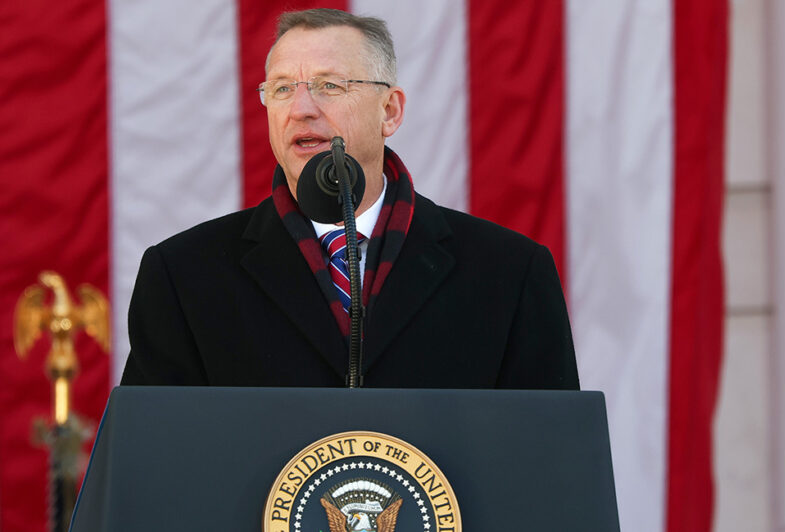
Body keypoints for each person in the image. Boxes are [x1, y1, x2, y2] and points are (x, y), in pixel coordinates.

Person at [120, 8, 578, 390]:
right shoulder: (183, 276)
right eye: (281, 89)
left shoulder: (510, 273)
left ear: (391, 111)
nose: (300, 108)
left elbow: (549, 461)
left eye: (329, 86)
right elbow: (154, 466)